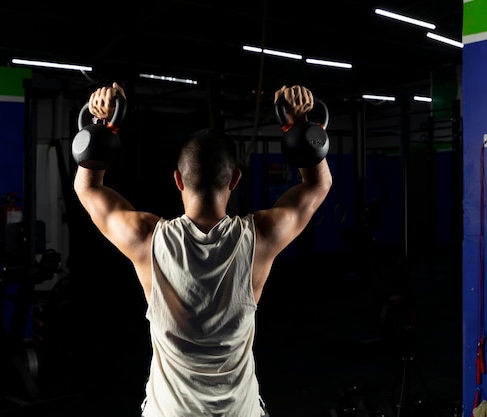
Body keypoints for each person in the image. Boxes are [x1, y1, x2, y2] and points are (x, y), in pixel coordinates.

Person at [73, 82, 332, 417]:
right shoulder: (261, 238)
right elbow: (317, 184)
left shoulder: (146, 238)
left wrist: (102, 127)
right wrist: (300, 127)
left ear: (178, 180)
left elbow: (88, 189)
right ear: (235, 179)